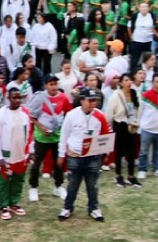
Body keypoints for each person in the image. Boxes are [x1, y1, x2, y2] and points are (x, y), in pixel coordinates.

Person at [57, 87, 112, 222]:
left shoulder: (100, 116)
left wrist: (106, 152)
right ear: (82, 101)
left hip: (93, 156)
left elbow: (106, 135)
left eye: (95, 101)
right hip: (75, 155)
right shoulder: (71, 115)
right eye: (90, 100)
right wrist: (61, 154)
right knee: (73, 183)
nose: (92, 103)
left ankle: (93, 208)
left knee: (92, 184)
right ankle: (67, 207)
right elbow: (64, 135)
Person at [27, 75, 71, 202]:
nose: (54, 87)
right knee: (36, 163)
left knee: (58, 163)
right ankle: (33, 187)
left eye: (55, 84)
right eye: (51, 84)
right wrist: (41, 128)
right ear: (46, 85)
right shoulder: (40, 98)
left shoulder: (63, 98)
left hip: (57, 137)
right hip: (42, 137)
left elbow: (68, 114)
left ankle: (58, 186)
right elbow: (33, 117)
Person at [0, 87, 31, 220]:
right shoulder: (1, 114)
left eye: (19, 98)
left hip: (21, 154)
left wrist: (30, 151)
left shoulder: (25, 113)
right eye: (14, 98)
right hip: (6, 154)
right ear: (9, 98)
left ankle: (14, 203)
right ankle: (4, 206)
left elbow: (28, 133)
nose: (17, 100)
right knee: (4, 181)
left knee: (18, 179)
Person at [104, 74, 141, 187]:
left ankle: (131, 176)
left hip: (131, 124)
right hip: (119, 124)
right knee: (119, 152)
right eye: (126, 80)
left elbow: (138, 108)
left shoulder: (135, 94)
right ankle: (118, 175)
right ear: (121, 83)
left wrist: (136, 121)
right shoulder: (116, 96)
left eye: (130, 79)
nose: (129, 82)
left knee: (131, 151)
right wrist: (110, 126)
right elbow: (110, 113)